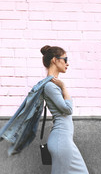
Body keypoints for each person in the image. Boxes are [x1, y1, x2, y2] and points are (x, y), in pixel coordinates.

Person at [41, 45, 89, 174]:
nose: (67, 63)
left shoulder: (53, 85)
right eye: (65, 59)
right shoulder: (51, 86)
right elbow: (68, 109)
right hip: (60, 140)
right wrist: (64, 87)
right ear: (54, 60)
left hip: (63, 140)